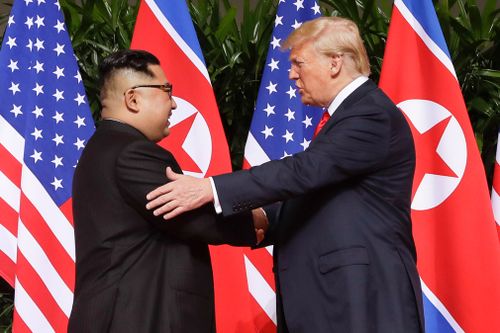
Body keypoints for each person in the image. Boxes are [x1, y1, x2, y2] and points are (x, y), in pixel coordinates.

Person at [146, 17, 424, 333]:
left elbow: (304, 171)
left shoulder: (370, 114)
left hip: (361, 298)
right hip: (335, 300)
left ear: (334, 63)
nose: (291, 74)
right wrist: (264, 217)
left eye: (298, 63)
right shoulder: (348, 116)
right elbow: (321, 191)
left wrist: (210, 188)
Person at [68, 50, 265, 332]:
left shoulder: (104, 148)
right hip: (138, 320)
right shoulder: (131, 152)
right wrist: (262, 220)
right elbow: (194, 218)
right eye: (166, 90)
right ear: (133, 99)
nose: (173, 104)